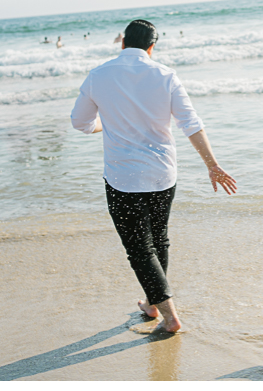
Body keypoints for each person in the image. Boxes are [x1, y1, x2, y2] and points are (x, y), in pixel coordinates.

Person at [71, 19, 236, 333]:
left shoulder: (98, 76)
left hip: (123, 178)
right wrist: (212, 165)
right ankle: (151, 305)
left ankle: (170, 316)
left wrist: (105, 125)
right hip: (163, 174)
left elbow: (80, 123)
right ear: (152, 46)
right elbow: (190, 122)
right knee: (158, 239)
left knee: (139, 248)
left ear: (123, 44)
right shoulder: (165, 75)